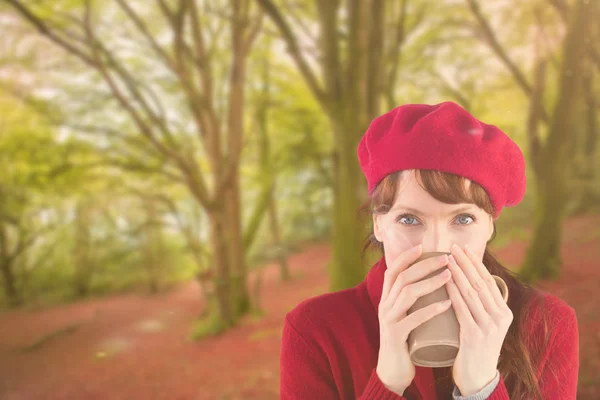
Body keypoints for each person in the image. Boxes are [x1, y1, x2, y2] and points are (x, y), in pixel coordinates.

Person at [279, 102, 579, 399]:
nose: (437, 247)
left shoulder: (547, 325)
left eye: (463, 219)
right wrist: (388, 383)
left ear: (489, 226)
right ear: (379, 225)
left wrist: (481, 387)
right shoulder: (314, 330)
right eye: (409, 219)